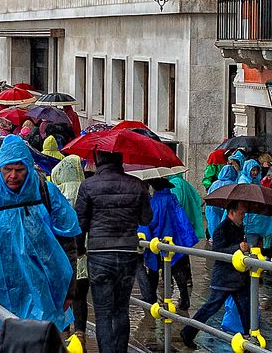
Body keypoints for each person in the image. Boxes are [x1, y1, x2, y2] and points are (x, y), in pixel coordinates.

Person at [0, 135, 82, 348]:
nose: (13, 176)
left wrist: (69, 290)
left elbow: (67, 243)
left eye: (19, 169)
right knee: (4, 343)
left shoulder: (46, 193)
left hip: (43, 288)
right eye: (7, 169)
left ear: (29, 167)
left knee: (41, 342)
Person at [74, 149, 152, 353]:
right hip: (127, 253)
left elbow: (79, 224)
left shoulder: (87, 185)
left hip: (99, 253)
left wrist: (80, 249)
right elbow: (146, 219)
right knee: (121, 310)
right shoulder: (137, 185)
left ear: (99, 160)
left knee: (103, 313)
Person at [181, 201, 250, 350]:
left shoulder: (239, 227)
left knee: (246, 309)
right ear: (231, 213)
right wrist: (238, 248)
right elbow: (218, 252)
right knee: (211, 307)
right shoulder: (222, 229)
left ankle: (249, 340)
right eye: (241, 213)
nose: (243, 216)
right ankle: (188, 332)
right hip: (225, 278)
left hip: (239, 278)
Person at [138, 178, 198, 311]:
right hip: (175, 239)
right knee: (177, 268)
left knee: (153, 270)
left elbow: (151, 222)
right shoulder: (173, 199)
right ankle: (184, 298)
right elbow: (181, 218)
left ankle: (151, 298)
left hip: (157, 241)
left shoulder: (155, 201)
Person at [50, 155, 87, 346]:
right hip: (83, 253)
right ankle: (80, 332)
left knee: (63, 295)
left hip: (62, 254)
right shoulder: (86, 190)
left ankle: (64, 331)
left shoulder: (56, 193)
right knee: (80, 296)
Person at [204, 165, 237, 238]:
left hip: (213, 208)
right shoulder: (232, 184)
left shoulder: (215, 184)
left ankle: (214, 238)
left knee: (213, 223)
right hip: (226, 208)